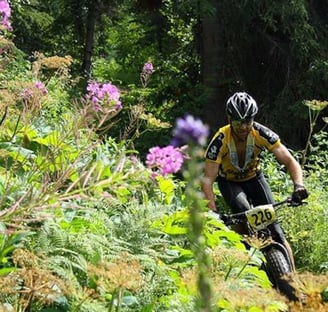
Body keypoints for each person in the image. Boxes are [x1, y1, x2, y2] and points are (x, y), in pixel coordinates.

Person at [201, 91, 309, 269]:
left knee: (277, 232)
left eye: (247, 121)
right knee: (242, 211)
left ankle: (294, 281)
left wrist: (299, 185)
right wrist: (212, 210)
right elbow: (207, 180)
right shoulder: (220, 139)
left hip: (254, 179)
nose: (243, 127)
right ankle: (246, 262)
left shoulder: (261, 132)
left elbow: (290, 161)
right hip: (230, 183)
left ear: (253, 119)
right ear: (230, 119)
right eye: (238, 122)